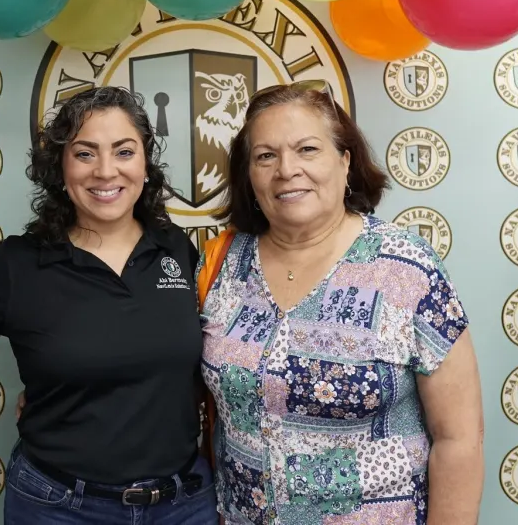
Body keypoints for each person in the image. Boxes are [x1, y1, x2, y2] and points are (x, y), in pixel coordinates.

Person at [0, 86, 219, 524]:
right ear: (60, 167)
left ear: (145, 163)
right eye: (85, 153)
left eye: (124, 151)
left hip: (183, 505)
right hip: (60, 509)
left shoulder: (176, 248)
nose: (105, 171)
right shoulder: (20, 264)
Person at [195, 81, 483, 525]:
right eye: (266, 156)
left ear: (345, 161)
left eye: (307, 149)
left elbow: (459, 438)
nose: (287, 169)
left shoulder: (406, 267)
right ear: (248, 175)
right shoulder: (222, 264)